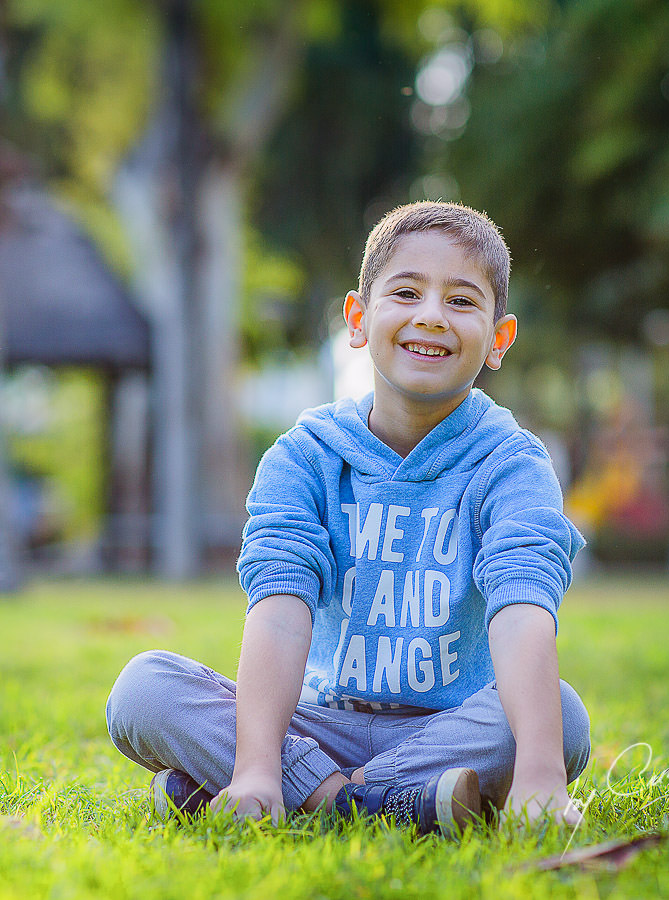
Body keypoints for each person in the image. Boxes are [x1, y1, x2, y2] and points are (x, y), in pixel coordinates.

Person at [107, 201, 590, 837]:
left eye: (462, 301)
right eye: (408, 292)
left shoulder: (513, 462)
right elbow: (279, 610)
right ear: (358, 320)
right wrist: (255, 763)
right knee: (145, 688)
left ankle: (297, 795)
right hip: (316, 724)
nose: (431, 316)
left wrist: (540, 775)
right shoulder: (303, 456)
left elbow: (523, 606)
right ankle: (383, 800)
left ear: (498, 339)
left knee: (559, 717)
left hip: (448, 725)